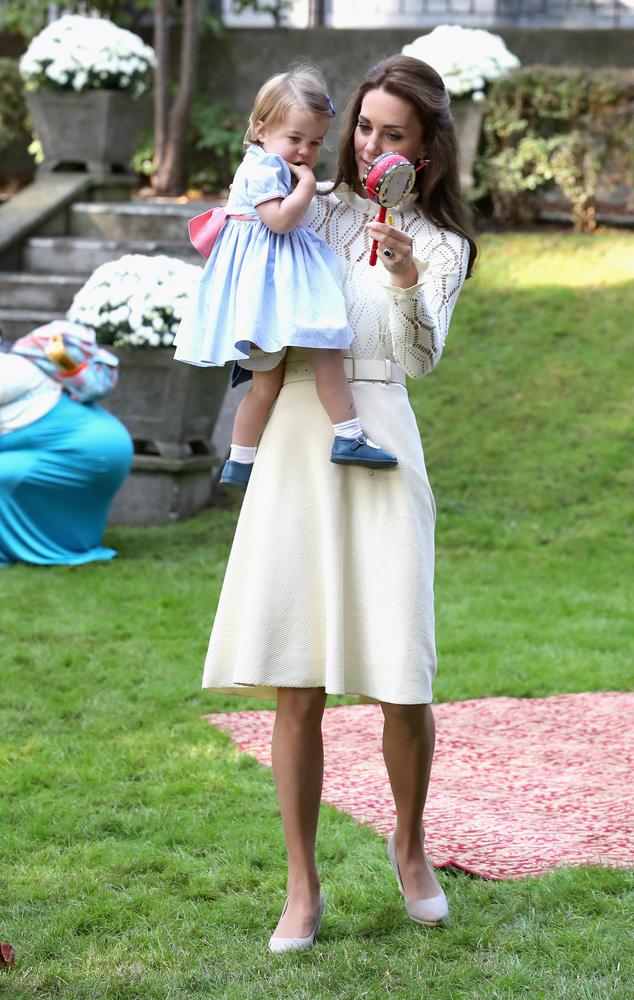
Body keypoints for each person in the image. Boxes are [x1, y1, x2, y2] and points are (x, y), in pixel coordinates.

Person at [201, 54, 477, 951]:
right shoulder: (312, 200)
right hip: (293, 435)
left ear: (427, 150)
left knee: (402, 676)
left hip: (380, 429)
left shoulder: (442, 245)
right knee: (295, 677)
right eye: (364, 127)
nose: (369, 146)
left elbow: (421, 358)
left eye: (391, 135)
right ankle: (301, 884)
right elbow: (252, 249)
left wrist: (400, 269)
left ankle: (410, 847)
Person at [173, 65, 397, 489]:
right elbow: (278, 221)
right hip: (271, 292)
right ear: (260, 129)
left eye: (314, 143)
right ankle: (343, 437)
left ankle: (242, 461)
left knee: (273, 379)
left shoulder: (269, 165)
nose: (304, 152)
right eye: (294, 139)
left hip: (270, 288)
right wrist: (307, 186)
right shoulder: (262, 169)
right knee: (317, 356)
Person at [0, 324, 133, 568]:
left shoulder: (11, 370)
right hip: (99, 451)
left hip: (86, 453)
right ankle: (59, 543)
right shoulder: (19, 366)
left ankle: (45, 547)